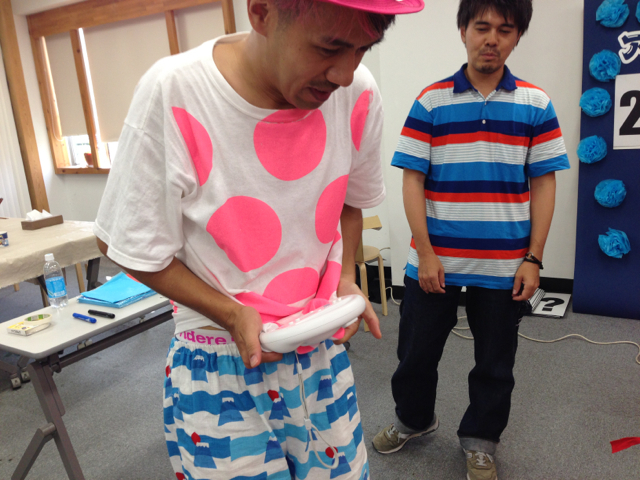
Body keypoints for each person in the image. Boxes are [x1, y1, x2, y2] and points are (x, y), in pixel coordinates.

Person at [94, 0, 423, 478]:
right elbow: (126, 244)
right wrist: (230, 313)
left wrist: (345, 278)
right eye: (329, 47)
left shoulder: (357, 93)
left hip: (317, 347)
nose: (345, 73)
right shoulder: (175, 91)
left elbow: (350, 201)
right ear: (262, 12)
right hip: (219, 357)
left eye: (362, 49)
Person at [372, 1, 570, 479]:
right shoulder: (432, 101)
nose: (492, 39)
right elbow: (412, 179)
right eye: (482, 27)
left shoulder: (536, 104)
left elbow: (544, 182)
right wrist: (425, 252)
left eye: (505, 29)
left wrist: (534, 258)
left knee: (495, 363)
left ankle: (481, 439)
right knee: (415, 354)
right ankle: (413, 420)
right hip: (435, 261)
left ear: (517, 36)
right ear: (463, 30)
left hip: (505, 265)